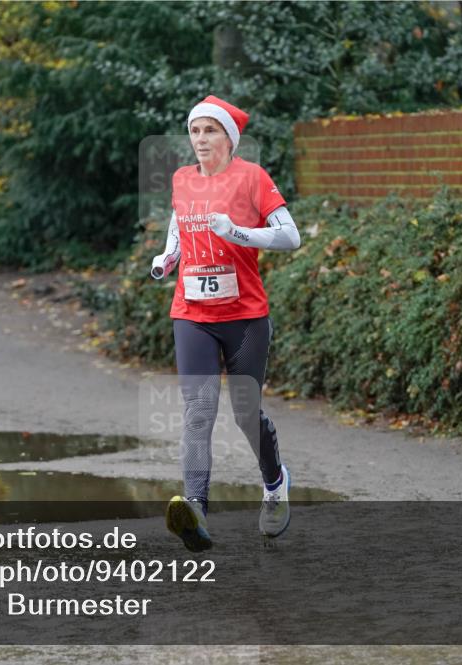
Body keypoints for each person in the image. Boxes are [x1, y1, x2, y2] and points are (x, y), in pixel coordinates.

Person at [150, 95, 301, 552]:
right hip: (191, 313)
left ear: (229, 139)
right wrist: (167, 256)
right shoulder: (181, 180)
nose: (200, 139)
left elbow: (291, 235)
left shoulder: (253, 178)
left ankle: (275, 485)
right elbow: (180, 226)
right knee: (198, 411)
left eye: (210, 130)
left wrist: (238, 233)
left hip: (245, 316)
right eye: (194, 131)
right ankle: (195, 509)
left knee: (243, 412)